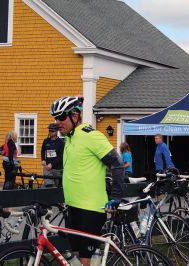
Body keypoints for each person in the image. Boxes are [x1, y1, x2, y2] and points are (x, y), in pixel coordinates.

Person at [50, 96, 124, 265]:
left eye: (61, 117)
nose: (57, 122)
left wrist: (116, 197)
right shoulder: (69, 139)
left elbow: (117, 164)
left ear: (74, 117)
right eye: (55, 117)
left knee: (85, 261)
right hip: (73, 207)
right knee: (75, 258)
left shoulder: (91, 136)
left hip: (90, 209)